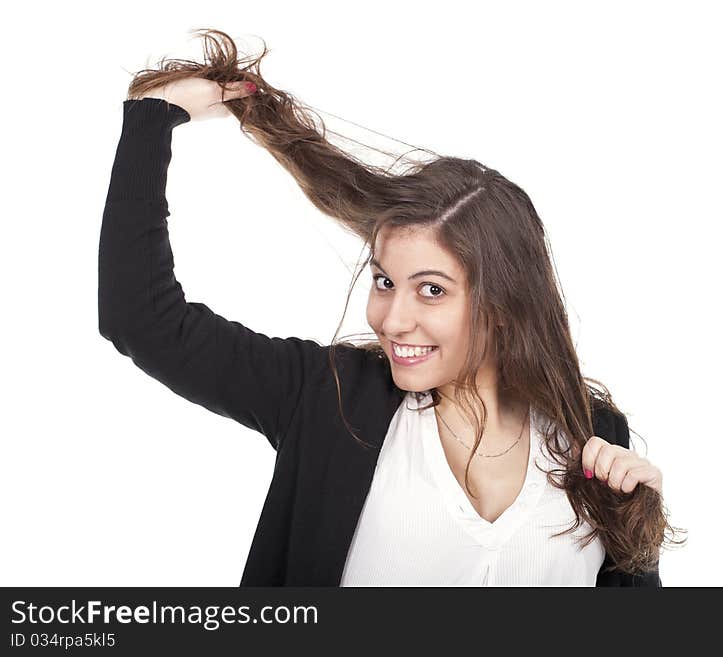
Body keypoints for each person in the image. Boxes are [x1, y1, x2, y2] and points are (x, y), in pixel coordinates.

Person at [99, 30, 683, 586]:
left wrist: (640, 536)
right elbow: (142, 320)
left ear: (506, 304)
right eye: (384, 281)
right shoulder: (326, 399)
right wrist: (155, 117)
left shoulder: (593, 439)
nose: (391, 319)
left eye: (431, 289)